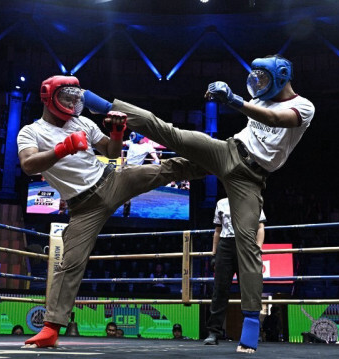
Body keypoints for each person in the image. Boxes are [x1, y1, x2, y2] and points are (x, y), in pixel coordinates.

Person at [83, 54, 314, 353]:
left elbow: (274, 119)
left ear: (281, 76)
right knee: (172, 137)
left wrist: (231, 99)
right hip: (226, 151)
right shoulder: (259, 99)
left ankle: (251, 323)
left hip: (251, 177)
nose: (258, 83)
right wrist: (223, 95)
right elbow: (254, 112)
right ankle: (104, 105)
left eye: (263, 78)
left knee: (248, 245)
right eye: (255, 77)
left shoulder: (303, 106)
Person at [17, 75, 206, 349]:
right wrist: (63, 149)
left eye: (75, 97)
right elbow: (28, 165)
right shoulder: (31, 132)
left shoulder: (83, 122)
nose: (72, 102)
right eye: (66, 97)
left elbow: (113, 151)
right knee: (69, 264)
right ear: (49, 98)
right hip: (83, 207)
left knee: (167, 169)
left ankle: (221, 161)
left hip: (112, 181)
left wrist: (117, 133)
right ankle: (50, 329)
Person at [204, 197, 266, 345]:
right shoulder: (221, 203)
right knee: (220, 290)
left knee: (249, 289)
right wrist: (214, 254)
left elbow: (260, 227)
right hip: (225, 245)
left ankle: (252, 332)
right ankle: (214, 332)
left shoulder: (253, 200)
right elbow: (218, 230)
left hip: (246, 244)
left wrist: (257, 249)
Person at [122, 132, 161, 217]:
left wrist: (156, 163)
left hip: (134, 170)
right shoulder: (131, 142)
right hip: (125, 165)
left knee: (127, 192)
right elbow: (122, 143)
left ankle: (126, 213)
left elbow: (155, 158)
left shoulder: (147, 146)